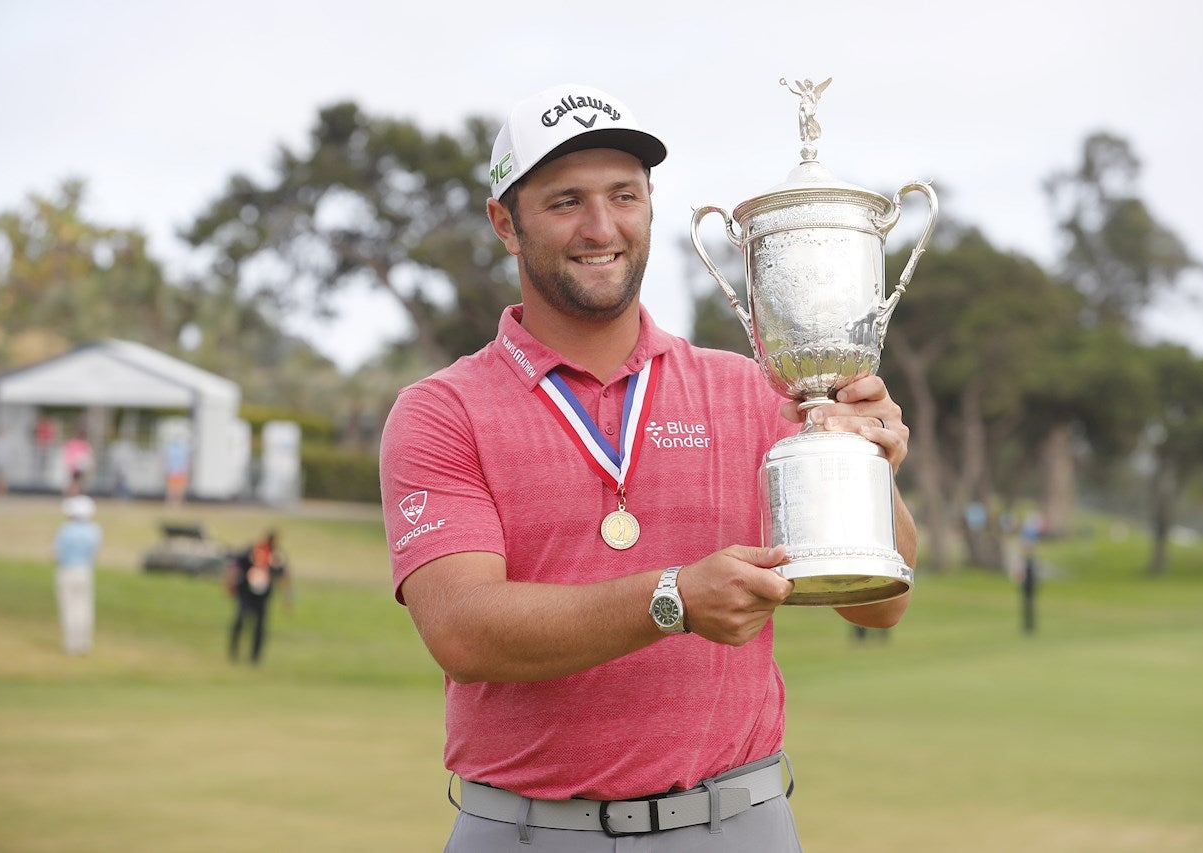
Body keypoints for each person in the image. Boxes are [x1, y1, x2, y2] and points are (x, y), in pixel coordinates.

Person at [378, 83, 916, 851]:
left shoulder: (751, 389)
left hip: (739, 822)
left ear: (651, 205)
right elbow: (463, 630)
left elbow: (879, 608)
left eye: (623, 195)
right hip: (528, 831)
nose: (602, 227)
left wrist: (869, 463)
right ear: (505, 223)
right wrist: (672, 598)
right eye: (566, 201)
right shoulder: (443, 410)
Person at [225, 531, 291, 664]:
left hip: (263, 595)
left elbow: (283, 576)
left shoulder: (276, 556)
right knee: (240, 618)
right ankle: (234, 651)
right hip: (246, 591)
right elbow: (235, 564)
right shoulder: (253, 550)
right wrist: (230, 583)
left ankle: (255, 657)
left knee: (260, 626)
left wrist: (287, 598)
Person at [52, 495, 103, 655]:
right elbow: (95, 553)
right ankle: (84, 642)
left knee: (69, 607)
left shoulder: (66, 529)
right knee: (85, 607)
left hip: (67, 570)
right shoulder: (94, 530)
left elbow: (56, 553)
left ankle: (71, 643)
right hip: (85, 571)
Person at [61, 429, 95, 496]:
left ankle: (72, 495)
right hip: (77, 467)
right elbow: (88, 456)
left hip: (75, 467)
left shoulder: (73, 443)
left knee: (75, 482)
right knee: (76, 483)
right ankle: (72, 494)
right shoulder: (83, 445)